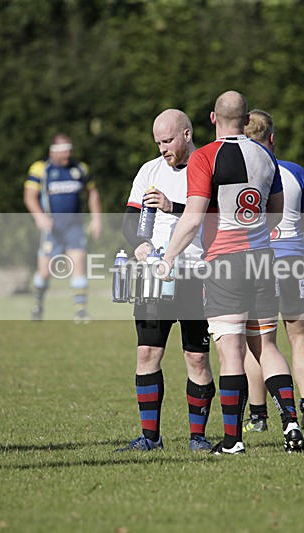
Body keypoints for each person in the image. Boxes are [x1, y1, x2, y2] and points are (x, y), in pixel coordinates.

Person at [161, 91, 304, 455]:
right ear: (245, 118)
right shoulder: (265, 156)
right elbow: (275, 212)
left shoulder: (206, 157)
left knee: (231, 353)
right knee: (267, 346)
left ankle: (233, 440)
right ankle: (291, 422)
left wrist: (169, 257)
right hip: (261, 259)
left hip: (224, 263)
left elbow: (193, 217)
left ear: (212, 118)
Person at [114, 109, 216, 452]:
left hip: (194, 273)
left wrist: (172, 205)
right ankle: (149, 437)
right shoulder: (149, 170)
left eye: (168, 140)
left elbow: (210, 213)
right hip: (154, 277)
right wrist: (141, 247)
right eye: (158, 142)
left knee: (197, 358)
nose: (162, 149)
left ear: (186, 134)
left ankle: (198, 438)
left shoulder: (206, 165)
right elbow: (129, 223)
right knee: (147, 354)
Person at [241, 109, 304, 432]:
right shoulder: (294, 172)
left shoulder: (238, 176)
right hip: (291, 261)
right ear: (272, 138)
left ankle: (258, 416)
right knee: (302, 337)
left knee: (260, 342)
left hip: (256, 263)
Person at [24, 134, 101, 322]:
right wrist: (40, 217)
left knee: (79, 266)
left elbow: (92, 193)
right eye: (63, 150)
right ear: (53, 150)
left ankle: (80, 311)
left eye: (70, 150)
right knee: (44, 273)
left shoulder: (79, 169)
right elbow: (29, 196)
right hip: (52, 229)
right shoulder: (41, 168)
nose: (68, 154)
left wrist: (96, 219)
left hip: (74, 227)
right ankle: (37, 305)